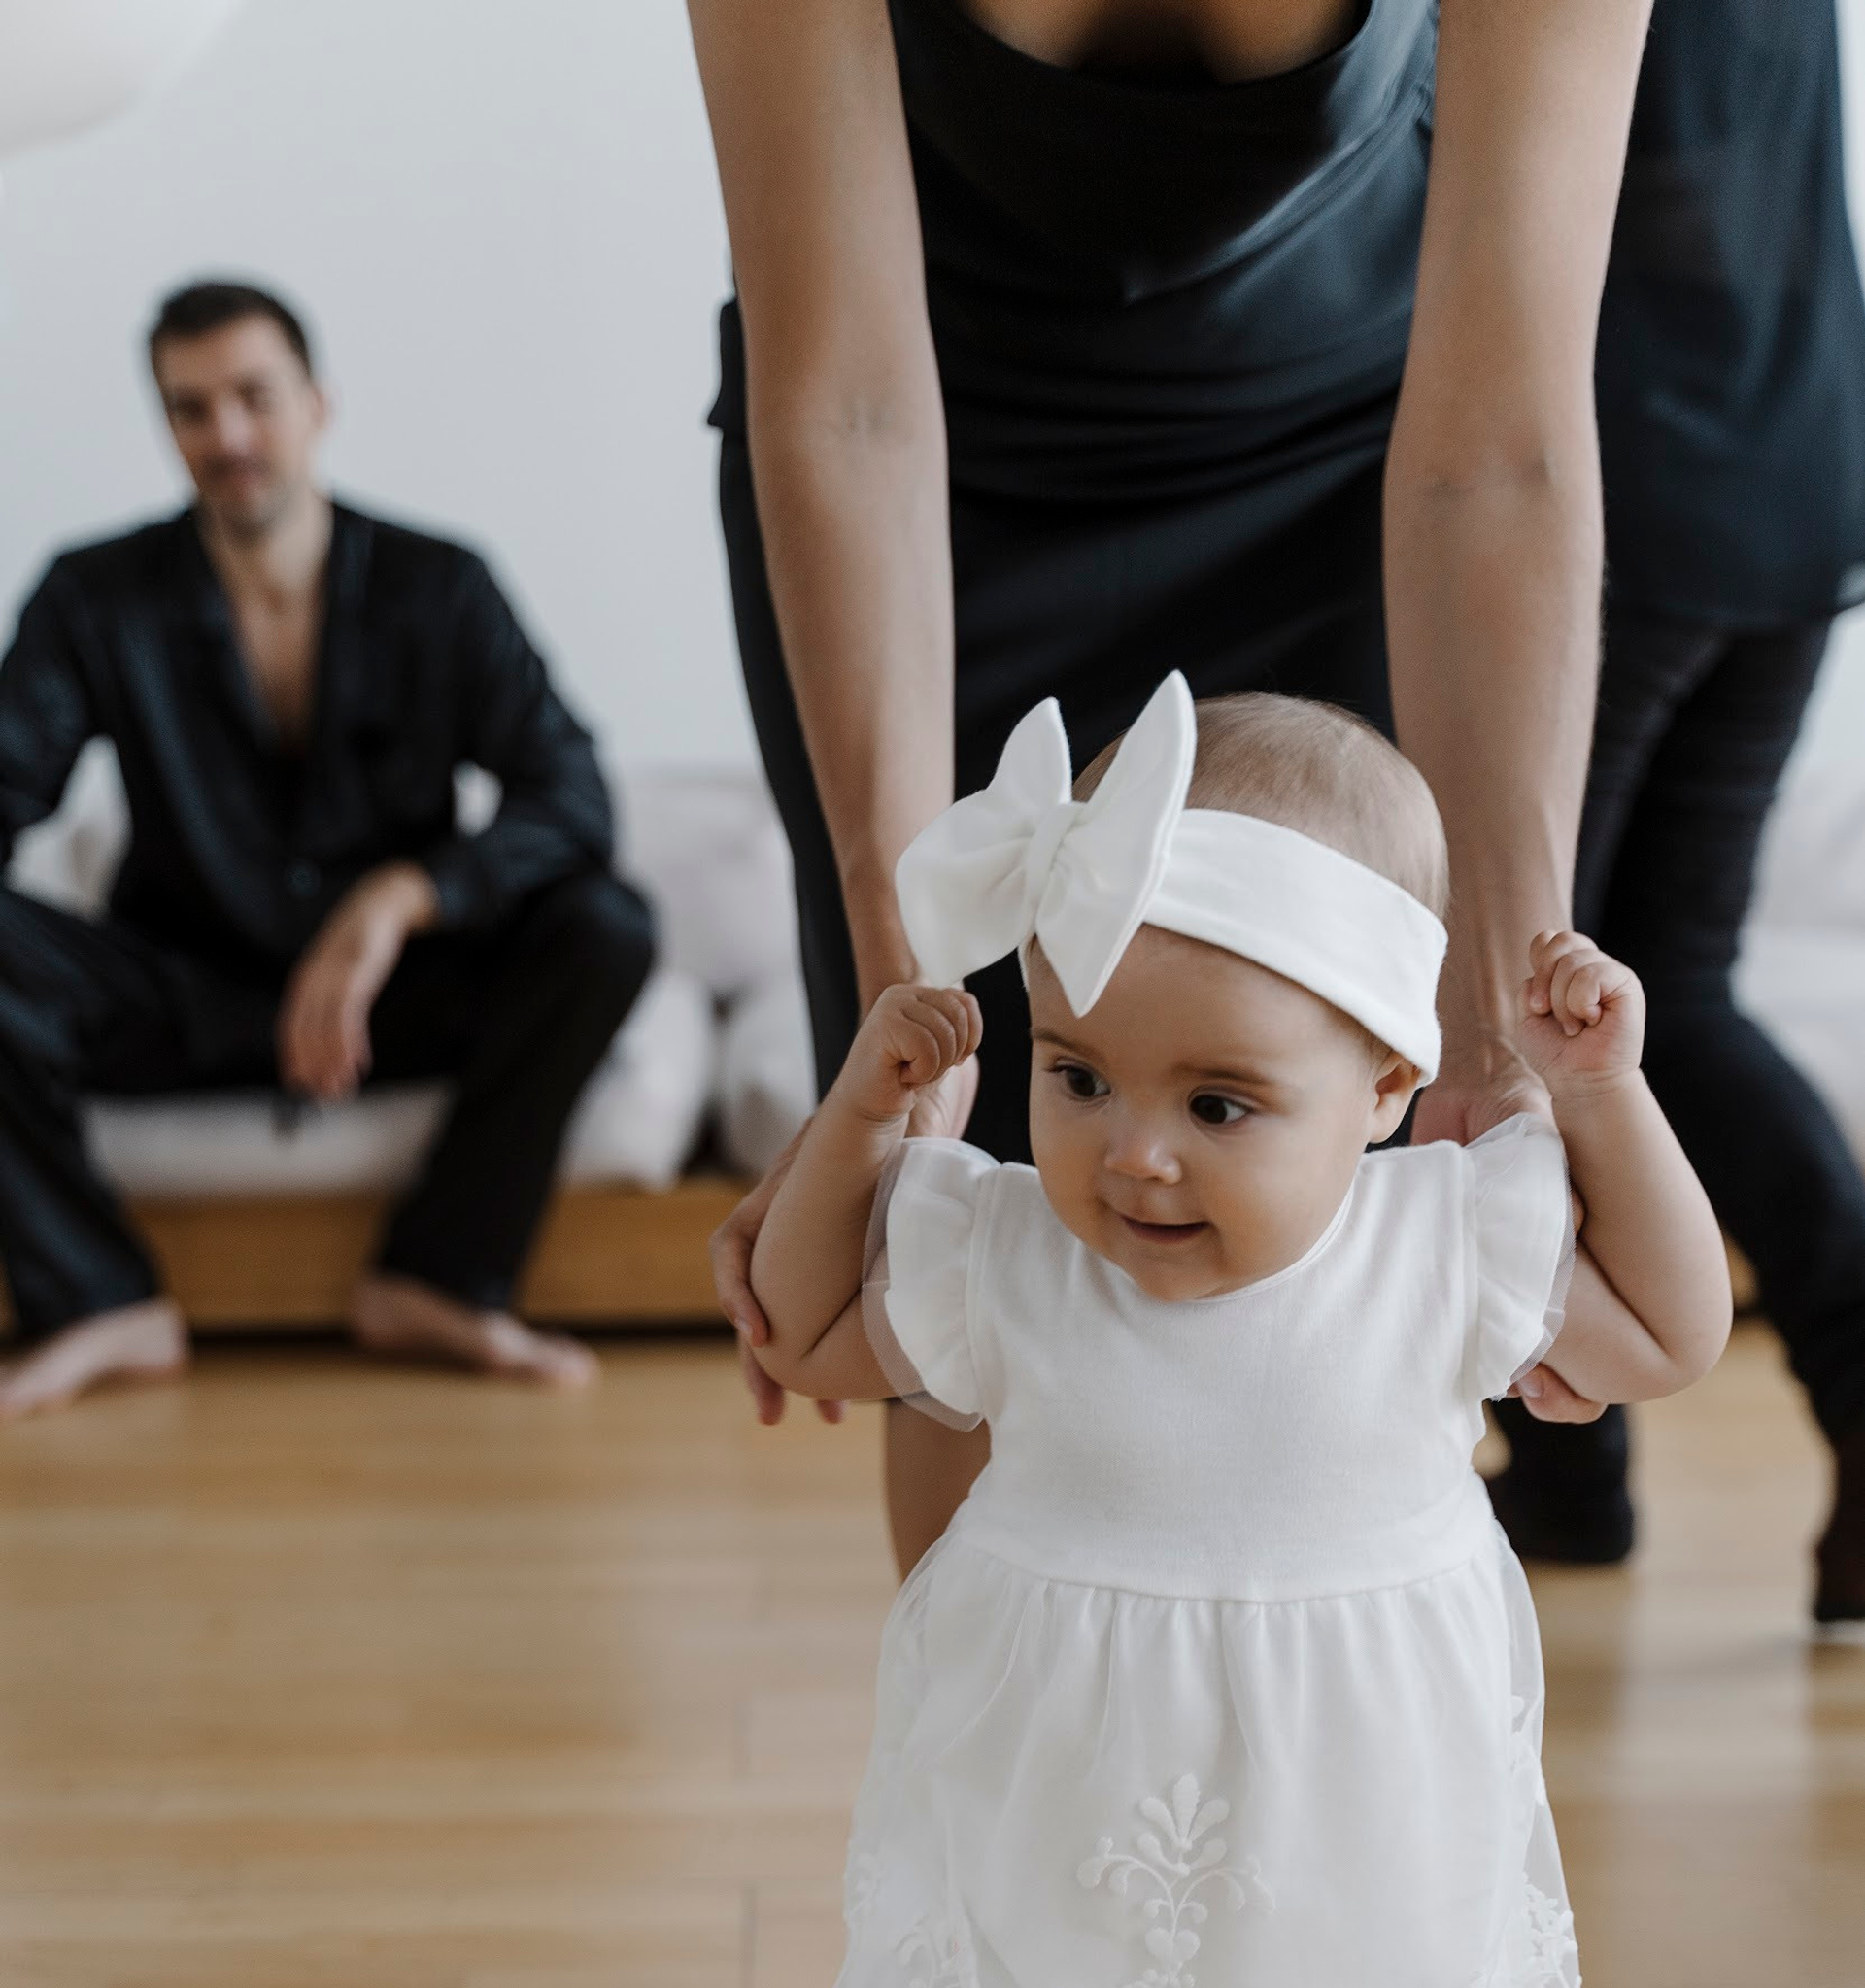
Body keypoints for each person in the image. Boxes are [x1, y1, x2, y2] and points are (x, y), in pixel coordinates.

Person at [610, 677, 1731, 1988]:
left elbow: (1673, 1325)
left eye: (1222, 1105)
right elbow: (803, 1324)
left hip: (1358, 1828)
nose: (1131, 1156)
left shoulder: (1442, 1243)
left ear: (1388, 1078)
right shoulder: (1008, 1251)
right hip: (1048, 1807)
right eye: (1082, 1075)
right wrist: (867, 1121)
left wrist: (1608, 1094)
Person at [695, 0, 1655, 1572]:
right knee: (958, 1239)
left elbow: (1503, 446)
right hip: (930, 475)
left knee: (1331, 1255)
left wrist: (1504, 1018)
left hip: (1363, 449)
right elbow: (847, 402)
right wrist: (904, 1004)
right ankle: (1009, 1806)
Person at [0, 279, 656, 1419]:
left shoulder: (439, 583)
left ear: (317, 404)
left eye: (254, 397)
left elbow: (571, 795)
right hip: (182, 995)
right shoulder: (92, 595)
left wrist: (399, 900)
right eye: (191, 408)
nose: (229, 436)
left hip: (390, 994)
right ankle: (99, 1299)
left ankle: (438, 1277)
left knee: (607, 922)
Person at [1489, 0, 1865, 1628]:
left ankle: (1574, 1469)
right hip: (1794, 470)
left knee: (1517, 988)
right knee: (1661, 988)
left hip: (1616, 493)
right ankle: (1574, 1476)